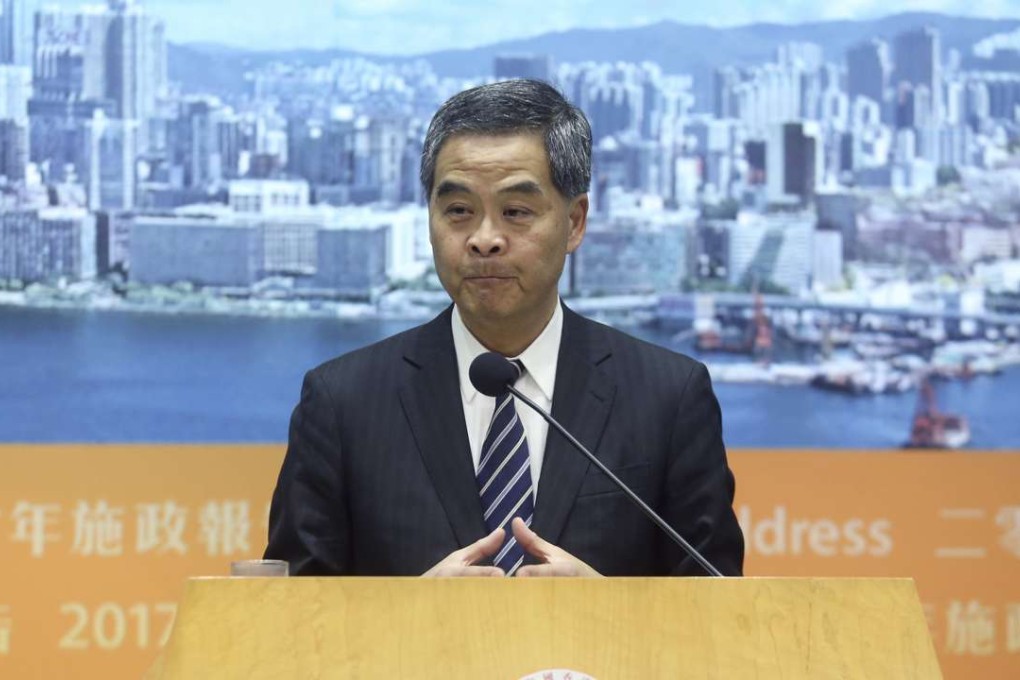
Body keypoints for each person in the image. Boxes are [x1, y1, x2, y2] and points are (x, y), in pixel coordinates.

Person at [265, 79, 744, 577]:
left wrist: (606, 607)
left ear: (575, 222)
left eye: (515, 212)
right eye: (458, 211)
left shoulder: (668, 398)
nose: (484, 239)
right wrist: (410, 611)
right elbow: (290, 614)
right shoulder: (343, 403)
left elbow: (720, 605)